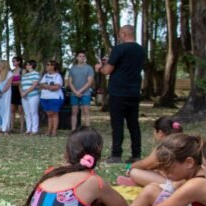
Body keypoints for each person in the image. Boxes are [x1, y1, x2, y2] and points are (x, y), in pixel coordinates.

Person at [96, 25, 146, 163]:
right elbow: (126, 65)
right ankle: (136, 154)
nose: (119, 37)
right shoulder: (141, 50)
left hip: (118, 91)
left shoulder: (119, 49)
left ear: (124, 34)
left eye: (119, 34)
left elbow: (107, 70)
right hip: (134, 91)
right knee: (133, 124)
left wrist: (100, 68)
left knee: (117, 124)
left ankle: (116, 154)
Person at [117, 116, 184, 187]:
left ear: (160, 133)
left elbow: (144, 164)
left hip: (177, 183)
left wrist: (130, 167)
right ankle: (137, 182)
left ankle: (138, 182)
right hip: (185, 180)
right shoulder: (184, 142)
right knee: (154, 170)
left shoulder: (164, 148)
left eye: (154, 131)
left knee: (134, 172)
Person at [67, 50, 94, 130]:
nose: (81, 58)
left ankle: (87, 130)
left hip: (85, 93)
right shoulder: (72, 69)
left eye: (83, 56)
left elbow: (89, 82)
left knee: (86, 112)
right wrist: (75, 92)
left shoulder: (89, 68)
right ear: (77, 58)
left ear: (85, 58)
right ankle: (73, 130)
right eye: (80, 56)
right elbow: (70, 82)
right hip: (74, 93)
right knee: (74, 112)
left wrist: (80, 91)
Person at [39, 60, 64, 137]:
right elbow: (41, 85)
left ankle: (54, 131)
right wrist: (49, 87)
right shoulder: (45, 75)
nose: (46, 66)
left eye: (48, 65)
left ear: (53, 66)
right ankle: (49, 130)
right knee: (49, 114)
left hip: (55, 97)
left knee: (54, 113)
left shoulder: (57, 76)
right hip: (44, 97)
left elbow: (56, 87)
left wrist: (46, 86)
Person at [20, 60, 40, 136]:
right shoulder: (25, 75)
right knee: (27, 113)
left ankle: (34, 130)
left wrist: (26, 92)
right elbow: (21, 85)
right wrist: (22, 93)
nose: (26, 66)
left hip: (33, 95)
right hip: (24, 97)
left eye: (27, 64)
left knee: (33, 112)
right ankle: (28, 129)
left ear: (31, 65)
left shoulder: (36, 74)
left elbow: (34, 85)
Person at [0, 60, 13, 134]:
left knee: (6, 110)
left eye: (0, 65)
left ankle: (6, 128)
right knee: (0, 110)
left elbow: (8, 85)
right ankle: (0, 126)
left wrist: (1, 92)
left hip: (5, 94)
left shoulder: (9, 74)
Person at [9, 56, 24, 133]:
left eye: (14, 61)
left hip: (19, 91)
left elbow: (22, 81)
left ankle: (22, 128)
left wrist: (14, 83)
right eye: (12, 61)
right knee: (12, 110)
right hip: (12, 91)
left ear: (19, 62)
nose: (13, 62)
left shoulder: (22, 71)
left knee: (21, 110)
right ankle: (12, 127)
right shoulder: (11, 71)